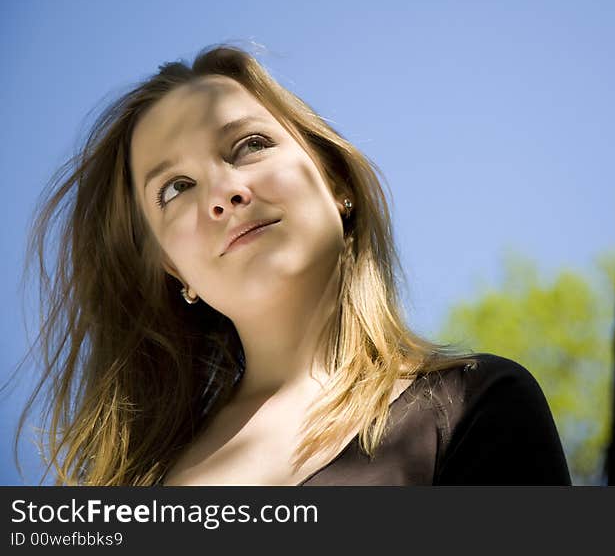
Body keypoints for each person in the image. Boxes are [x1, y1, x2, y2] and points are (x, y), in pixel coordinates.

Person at [17, 44, 572, 486]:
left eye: (249, 145)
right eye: (176, 188)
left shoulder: (475, 407)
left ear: (334, 181)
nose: (224, 192)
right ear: (170, 267)